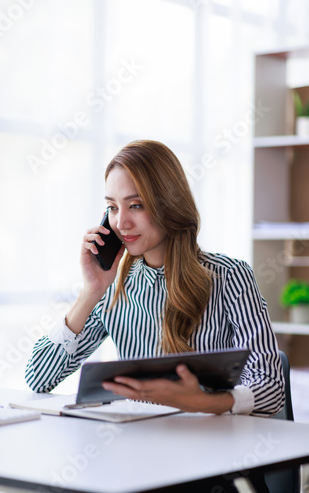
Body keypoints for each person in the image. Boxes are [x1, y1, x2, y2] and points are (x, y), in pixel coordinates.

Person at [26, 139, 283, 491]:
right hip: (136, 463)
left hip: (209, 467)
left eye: (136, 205)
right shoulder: (115, 287)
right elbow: (38, 377)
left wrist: (207, 403)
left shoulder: (228, 275)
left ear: (169, 204)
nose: (120, 222)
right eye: (112, 208)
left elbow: (270, 385)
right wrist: (91, 291)